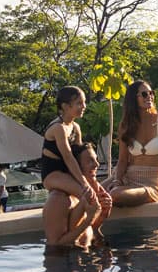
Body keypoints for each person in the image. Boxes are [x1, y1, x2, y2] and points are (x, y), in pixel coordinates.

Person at [40, 85, 112, 227]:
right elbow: (68, 157)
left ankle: (95, 232)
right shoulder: (58, 128)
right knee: (89, 197)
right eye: (79, 103)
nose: (84, 106)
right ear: (65, 106)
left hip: (70, 173)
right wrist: (85, 184)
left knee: (104, 199)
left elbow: (80, 157)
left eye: (84, 102)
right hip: (53, 174)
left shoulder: (75, 127)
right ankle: (72, 234)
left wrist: (94, 183)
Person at [111, 80, 158, 206]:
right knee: (93, 193)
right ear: (134, 99)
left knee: (114, 195)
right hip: (126, 178)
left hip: (151, 185)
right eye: (144, 94)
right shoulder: (125, 125)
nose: (149, 96)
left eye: (151, 93)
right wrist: (117, 180)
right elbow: (122, 160)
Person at [43, 144, 108, 255]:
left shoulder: (81, 197)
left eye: (96, 160)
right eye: (90, 161)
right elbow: (55, 245)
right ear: (74, 167)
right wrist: (89, 220)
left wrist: (102, 215)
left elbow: (88, 234)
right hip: (65, 267)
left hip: (84, 261)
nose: (97, 164)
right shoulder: (59, 200)